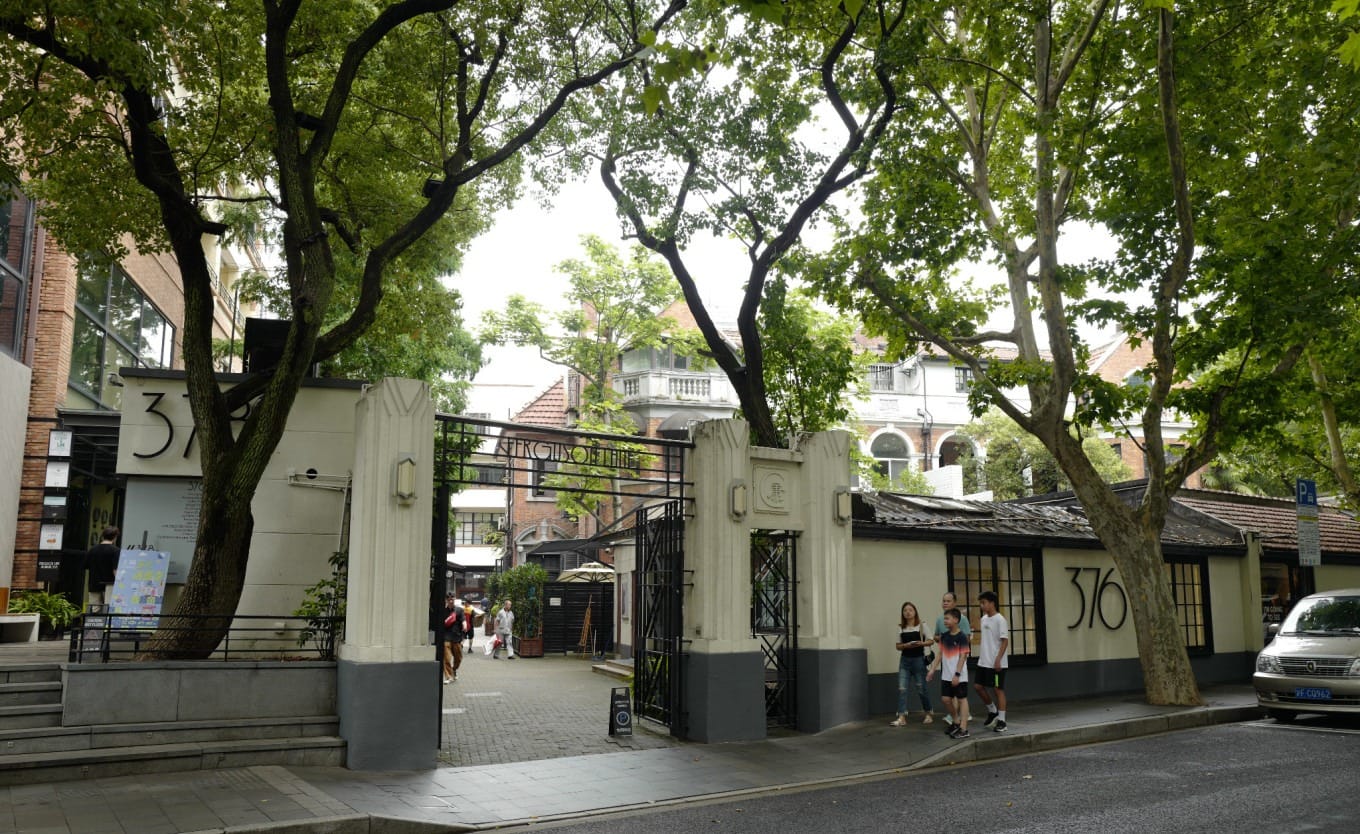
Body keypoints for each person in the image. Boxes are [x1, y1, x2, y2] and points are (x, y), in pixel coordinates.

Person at [927, 606, 971, 739]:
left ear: (956, 620)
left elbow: (963, 657)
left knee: (962, 700)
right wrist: (932, 670)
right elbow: (940, 654)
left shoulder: (962, 637)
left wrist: (957, 674)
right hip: (946, 675)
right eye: (944, 618)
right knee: (946, 699)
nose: (944, 621)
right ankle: (956, 722)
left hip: (959, 676)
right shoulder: (944, 636)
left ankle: (963, 729)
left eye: (947, 618)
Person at [891, 601, 935, 726]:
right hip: (904, 661)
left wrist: (921, 644)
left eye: (910, 610)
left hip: (919, 660)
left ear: (915, 611)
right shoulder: (900, 627)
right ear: (902, 613)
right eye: (905, 610)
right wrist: (906, 645)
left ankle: (928, 713)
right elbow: (897, 646)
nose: (908, 612)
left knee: (921, 688)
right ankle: (901, 717)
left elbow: (931, 641)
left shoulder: (921, 625)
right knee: (902, 689)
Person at [974, 589, 1010, 732]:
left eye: (983, 603)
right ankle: (992, 711)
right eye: (981, 603)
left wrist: (998, 660)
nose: (981, 605)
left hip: (997, 663)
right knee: (978, 687)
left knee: (997, 689)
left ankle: (1002, 721)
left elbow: (1005, 641)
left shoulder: (1000, 620)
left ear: (992, 603)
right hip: (983, 663)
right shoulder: (983, 619)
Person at [85, 526, 120, 608]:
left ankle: (94, 621)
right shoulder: (116, 550)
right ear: (115, 537)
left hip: (94, 584)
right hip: (109, 585)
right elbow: (115, 570)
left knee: (94, 610)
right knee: (108, 609)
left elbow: (86, 566)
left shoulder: (92, 550)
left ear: (103, 536)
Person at [441, 594, 464, 683]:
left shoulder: (459, 610)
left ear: (454, 600)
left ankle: (454, 670)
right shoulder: (443, 611)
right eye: (449, 599)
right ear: (446, 600)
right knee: (446, 658)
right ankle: (449, 676)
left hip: (456, 637)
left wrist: (464, 625)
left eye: (452, 599)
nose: (451, 601)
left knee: (458, 658)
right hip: (446, 637)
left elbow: (463, 620)